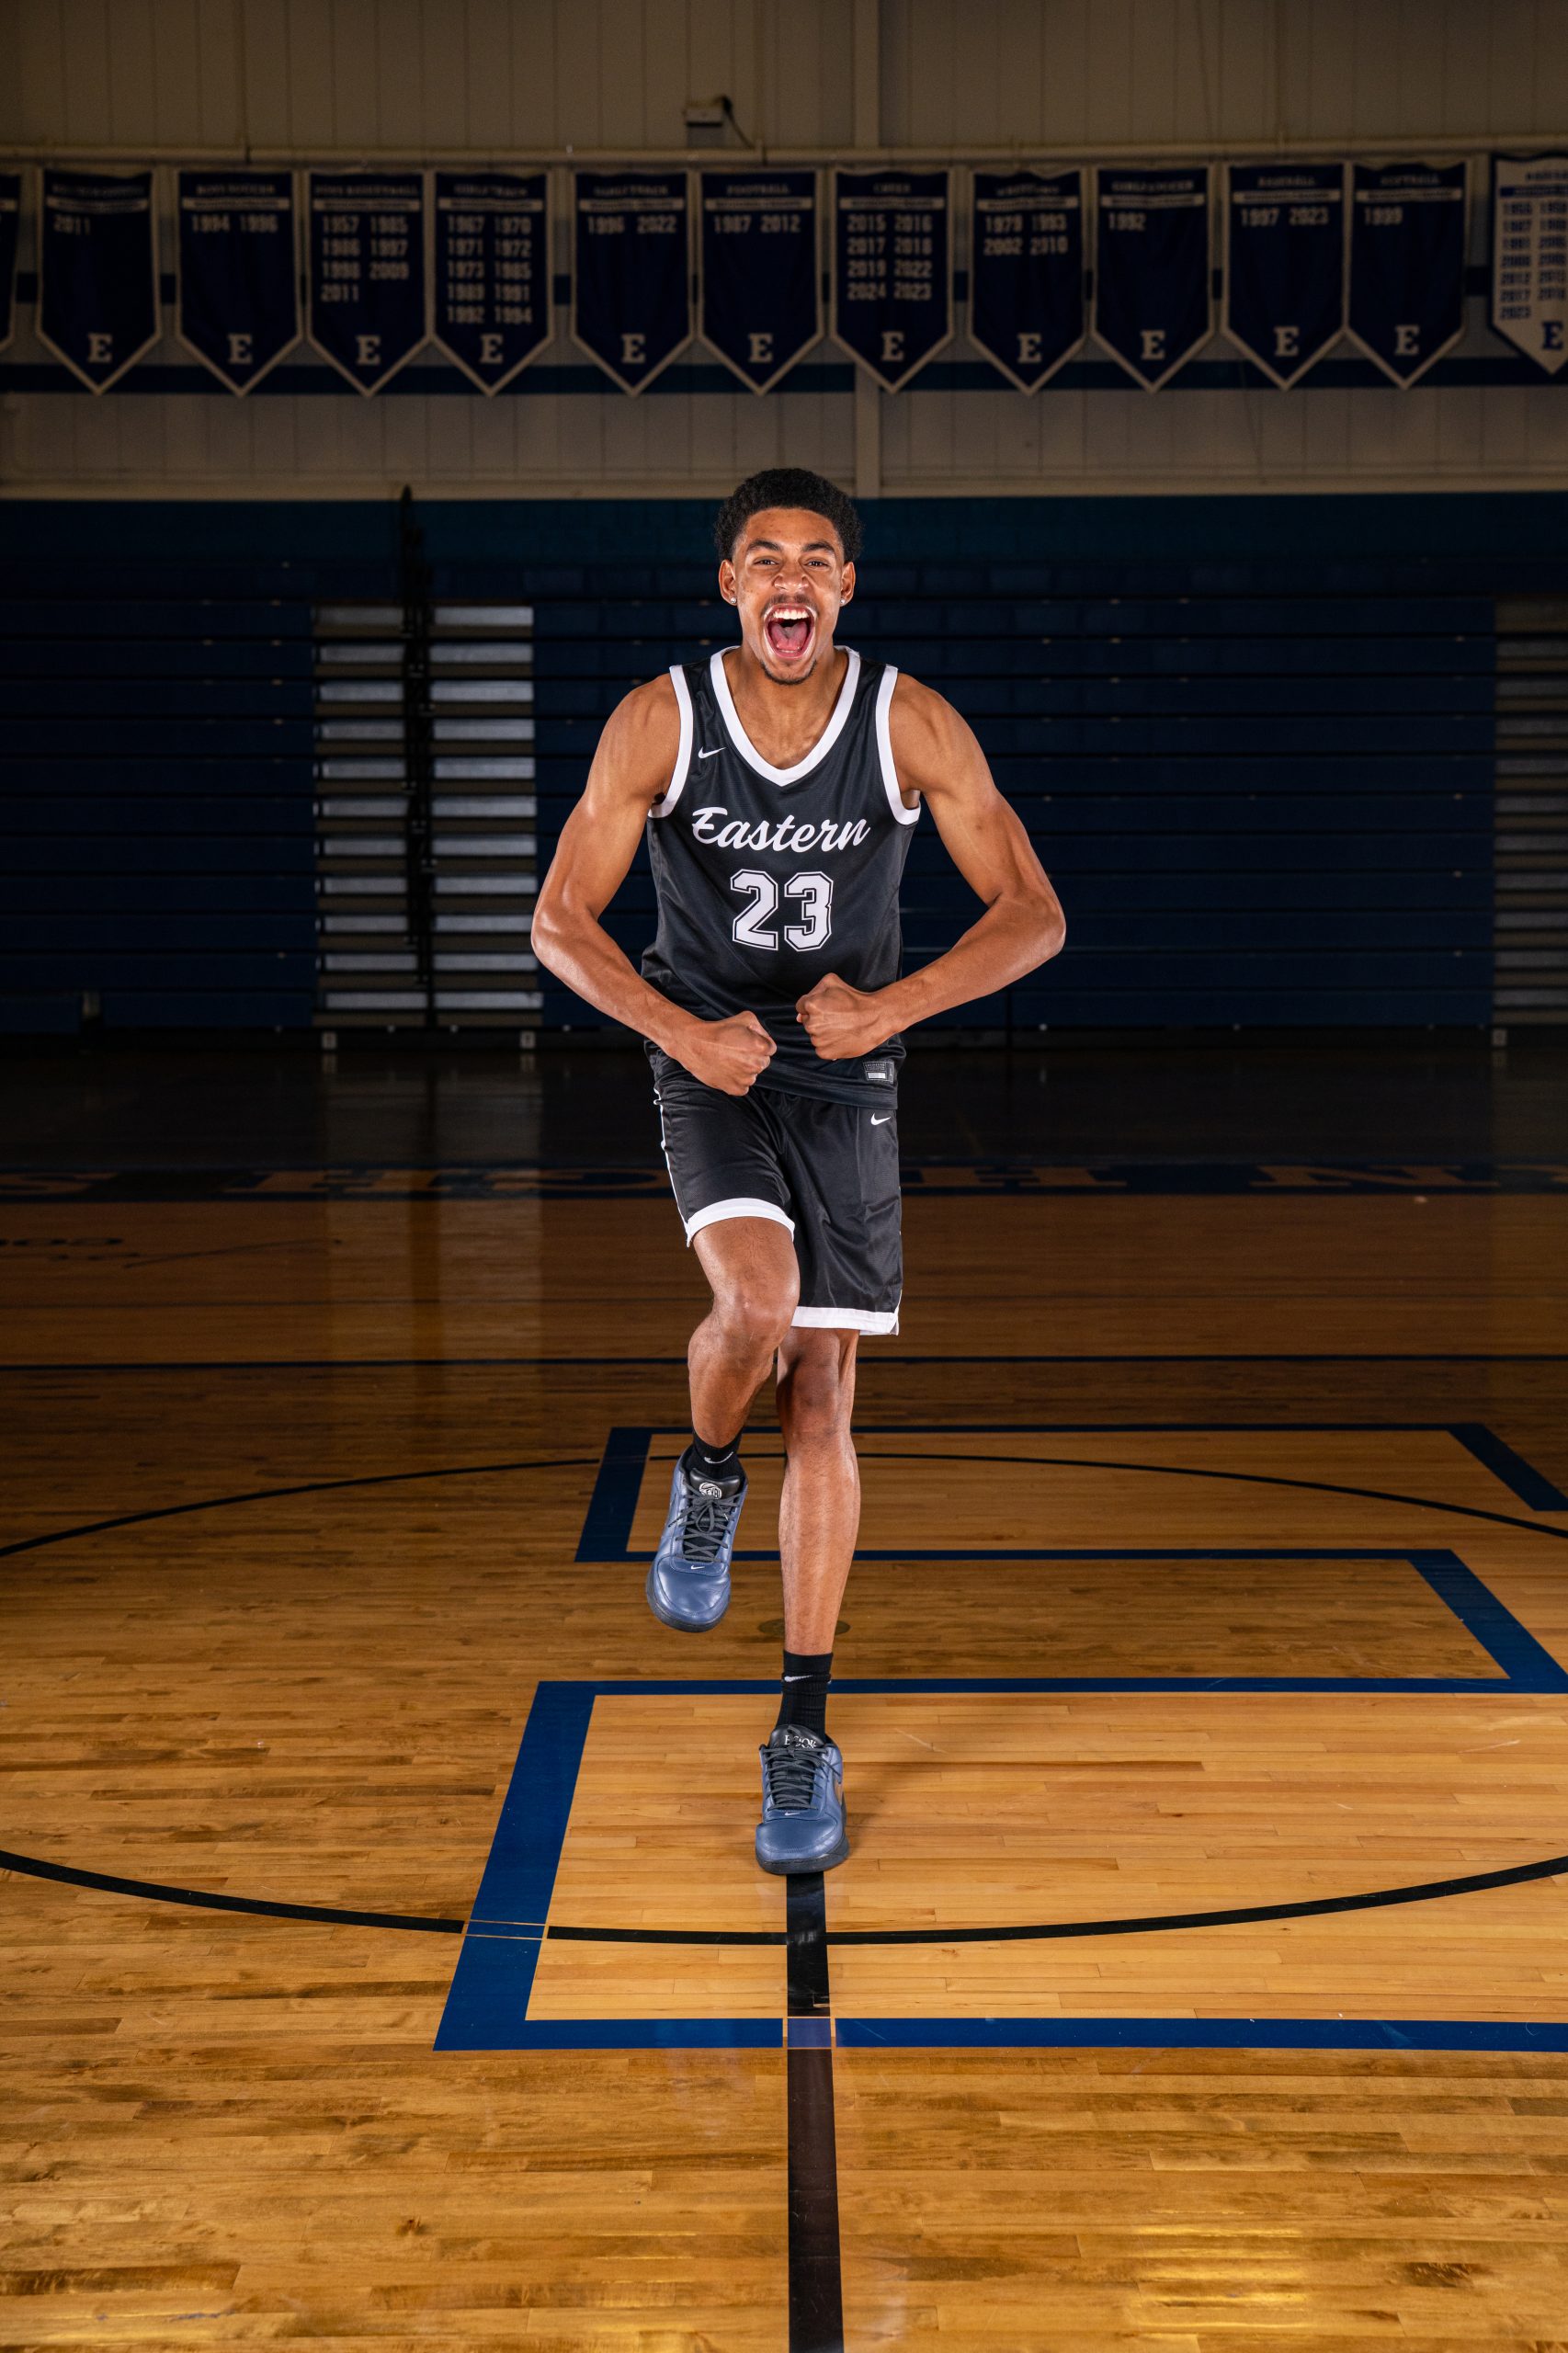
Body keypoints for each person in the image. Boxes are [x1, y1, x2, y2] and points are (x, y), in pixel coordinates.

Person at [532, 467, 1064, 1875]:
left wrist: (891, 1008)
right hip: (710, 1057)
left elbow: (1032, 913)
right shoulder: (660, 719)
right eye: (763, 557)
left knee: (822, 1394)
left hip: (846, 1069)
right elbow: (559, 920)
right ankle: (708, 1472)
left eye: (815, 558)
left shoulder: (907, 720)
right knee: (755, 1307)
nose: (789, 578)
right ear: (730, 587)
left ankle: (801, 1729)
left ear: (844, 589)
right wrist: (675, 1030)